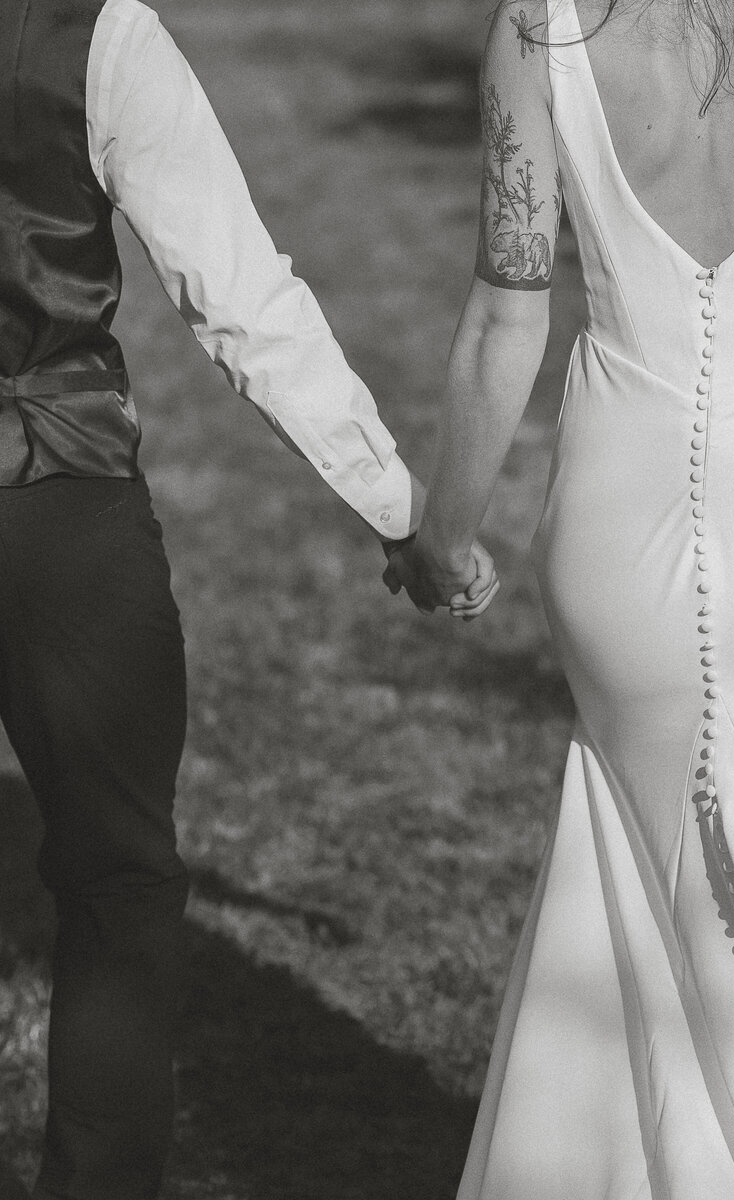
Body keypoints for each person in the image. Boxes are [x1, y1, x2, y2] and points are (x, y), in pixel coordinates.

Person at [0, 1, 501, 1197]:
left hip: (51, 492)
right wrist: (403, 512)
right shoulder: (97, 33)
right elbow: (240, 300)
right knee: (118, 881)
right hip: (53, 502)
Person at [386, 0, 734, 1194]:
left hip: (614, 526)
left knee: (650, 883)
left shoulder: (541, 28)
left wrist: (442, 535)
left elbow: (501, 318)